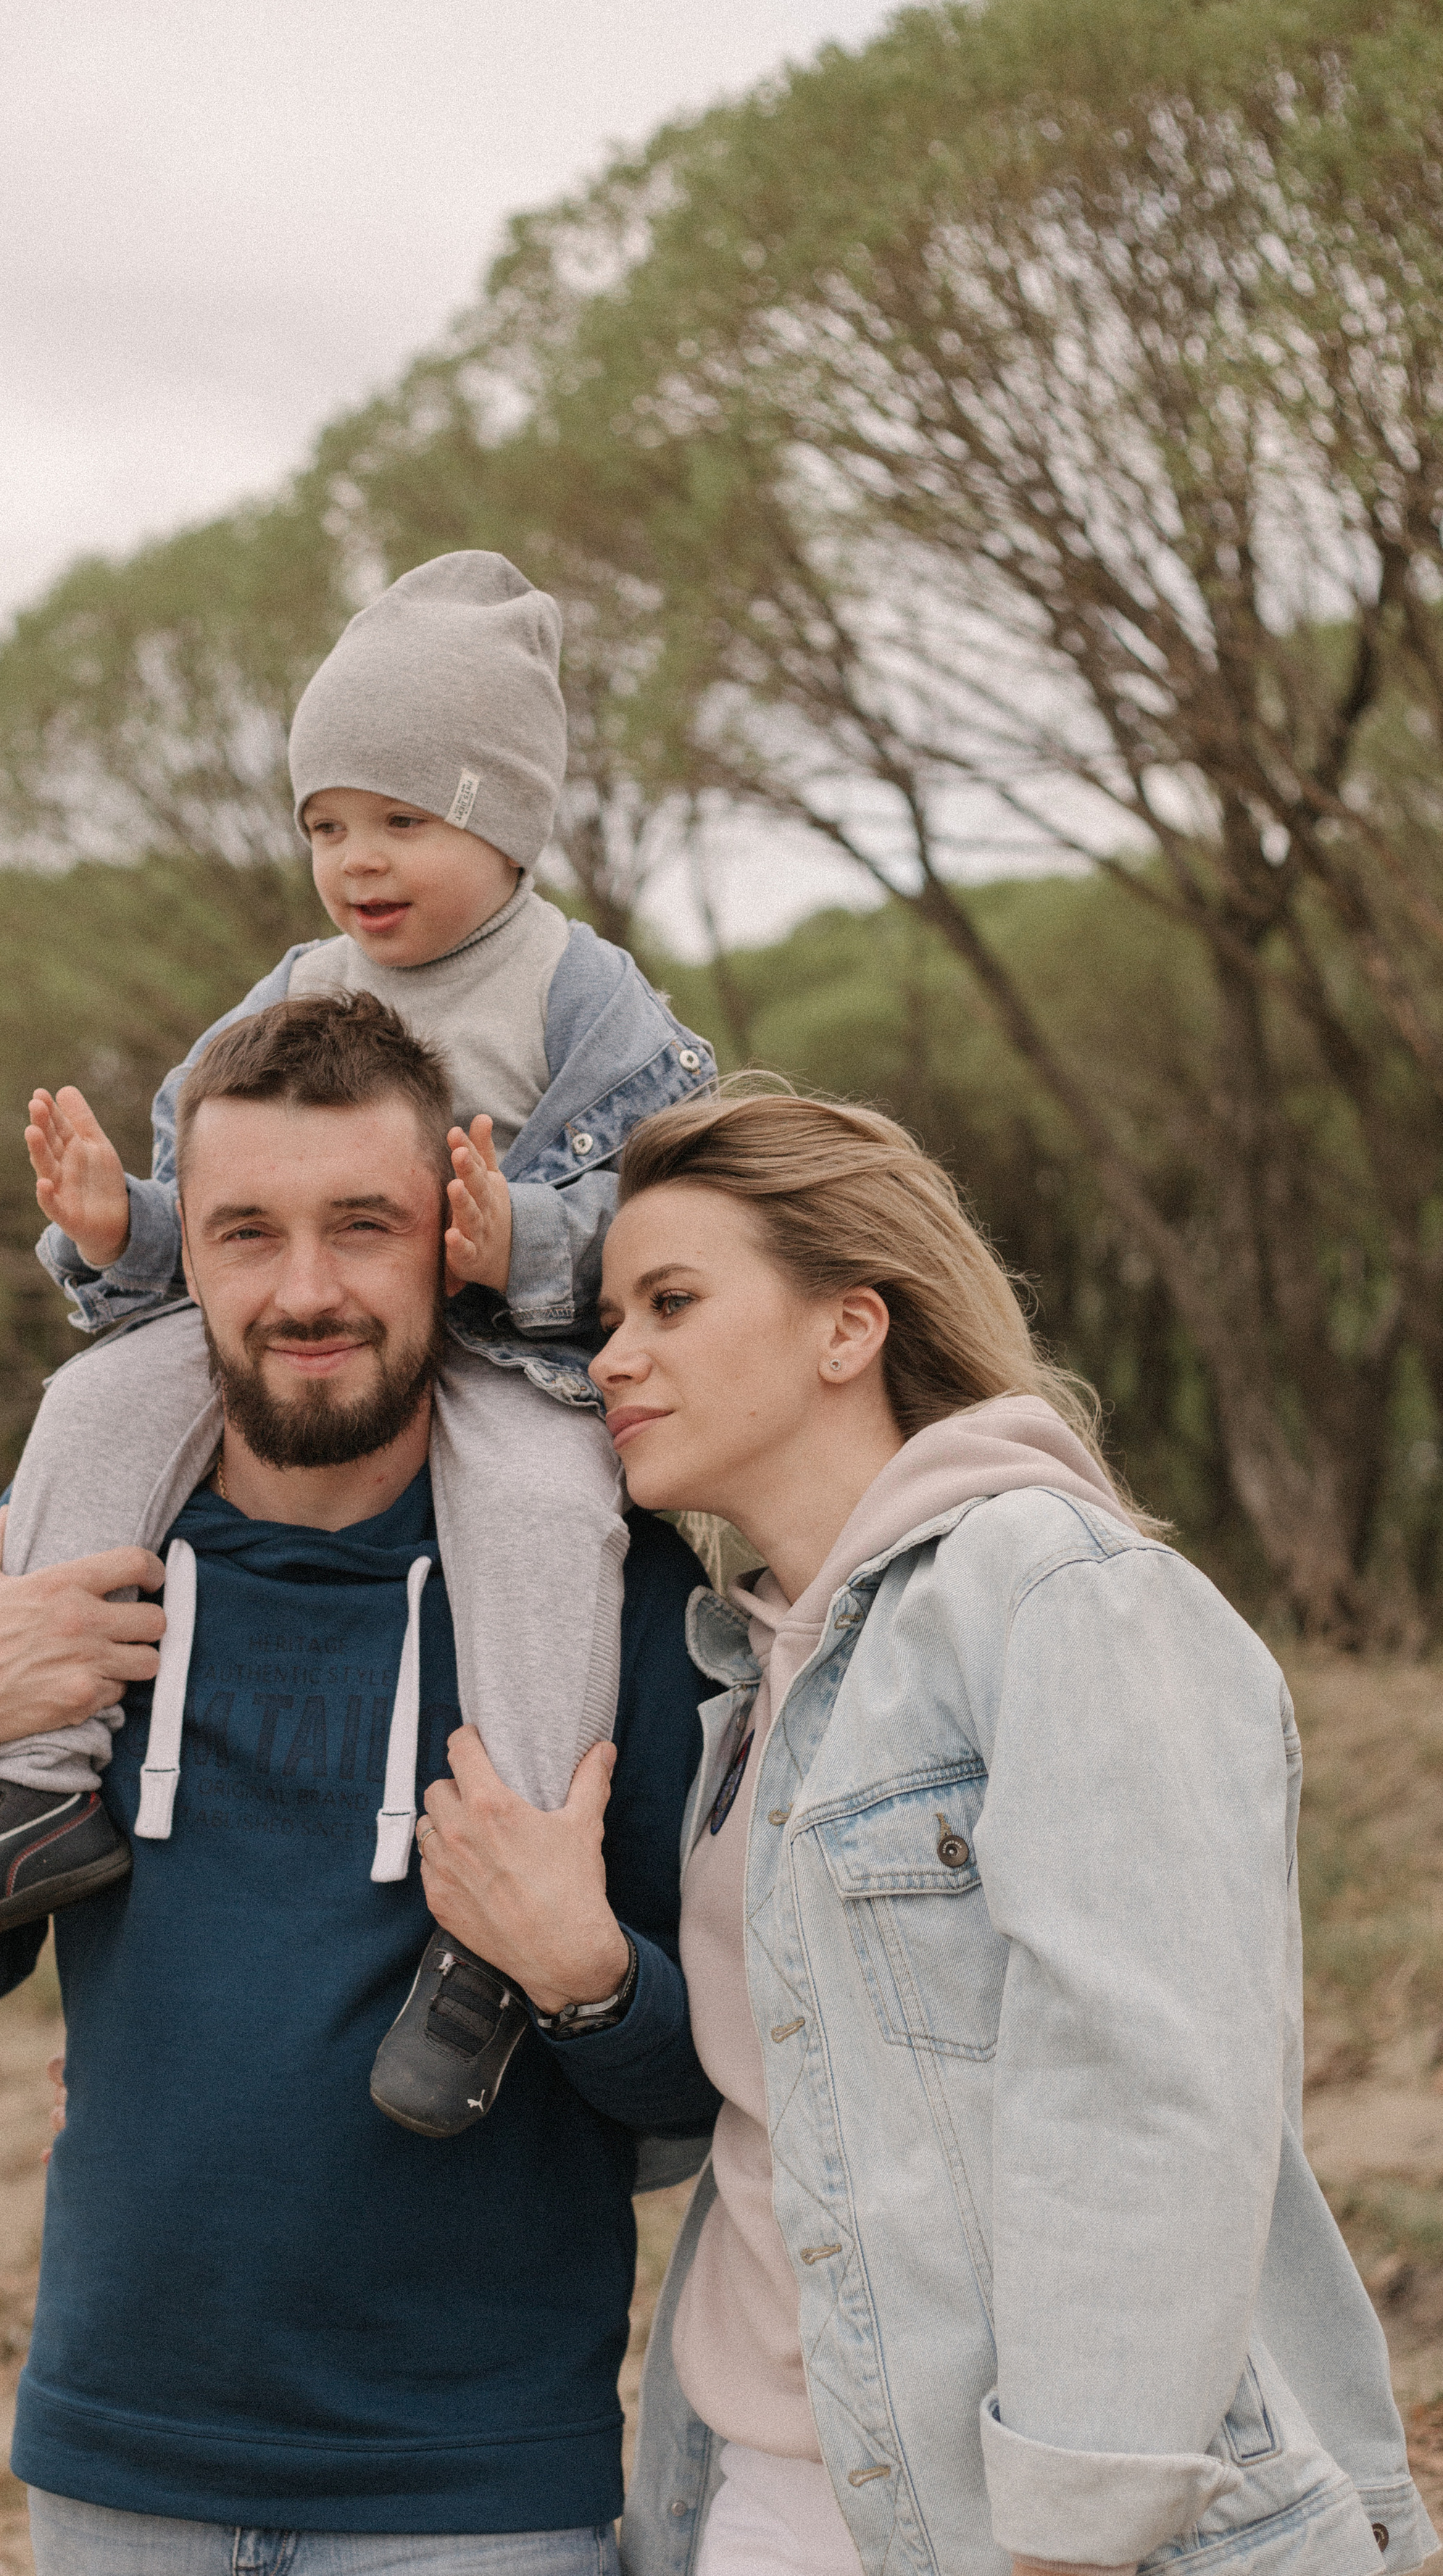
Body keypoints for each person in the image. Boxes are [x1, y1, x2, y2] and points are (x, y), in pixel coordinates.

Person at [0, 995, 719, 2572]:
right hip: (115, 2462)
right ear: (184, 1257)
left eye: (360, 1227)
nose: (305, 1292)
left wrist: (574, 1969)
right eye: (244, 1233)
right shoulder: (92, 1553)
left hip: (474, 2486)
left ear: (449, 1228)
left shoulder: (594, 1587)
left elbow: (686, 2092)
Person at [486, 1082, 1430, 2576]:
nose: (613, 1357)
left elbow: (1149, 2087)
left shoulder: (1053, 1594)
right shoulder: (740, 1672)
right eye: (608, 1315)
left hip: (1025, 2521)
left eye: (668, 1301)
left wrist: (1069, 2530)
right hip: (744, 2484)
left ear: (845, 1330)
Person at [0, 549, 713, 2139]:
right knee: (99, 1390)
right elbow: (218, 1216)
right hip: (124, 2342)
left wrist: (518, 1242)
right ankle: (33, 1786)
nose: (357, 863)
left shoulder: (579, 997)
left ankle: (487, 1926)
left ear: (503, 820)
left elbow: (682, 1210)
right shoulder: (299, 990)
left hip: (503, 1359)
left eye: (403, 819)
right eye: (325, 825)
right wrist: (124, 1230)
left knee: (538, 1508)